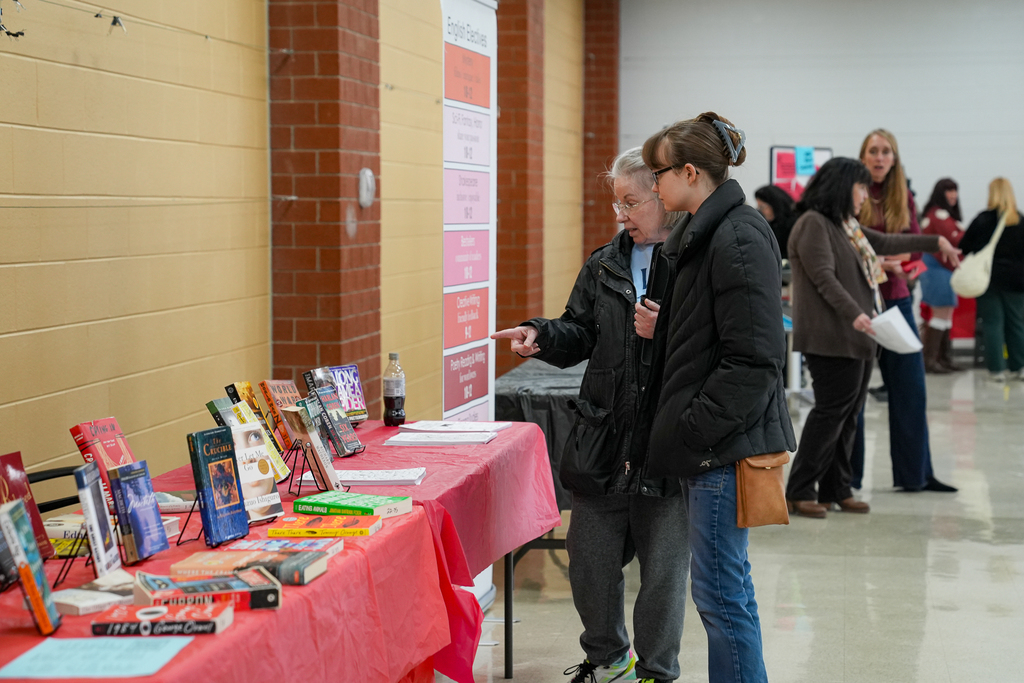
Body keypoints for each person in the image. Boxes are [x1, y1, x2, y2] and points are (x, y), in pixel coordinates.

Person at [491, 147, 690, 683]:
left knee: (663, 576)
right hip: (603, 435)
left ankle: (656, 670)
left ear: (664, 197)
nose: (620, 213)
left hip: (666, 441)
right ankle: (609, 657)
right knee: (589, 565)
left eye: (631, 201)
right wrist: (541, 336)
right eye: (615, 202)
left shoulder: (696, 260)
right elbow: (579, 330)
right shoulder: (605, 262)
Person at [641, 113, 795, 683]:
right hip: (710, 446)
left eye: (659, 172)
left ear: (689, 171)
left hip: (721, 451)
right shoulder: (704, 232)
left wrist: (693, 430)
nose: (654, 185)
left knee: (722, 598)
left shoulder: (737, 232)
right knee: (726, 593)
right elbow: (719, 333)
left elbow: (756, 359)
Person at [784, 158, 961, 518]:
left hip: (858, 335)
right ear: (842, 186)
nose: (866, 195)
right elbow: (824, 278)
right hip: (831, 336)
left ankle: (838, 488)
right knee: (830, 414)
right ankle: (800, 490)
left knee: (849, 415)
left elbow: (886, 240)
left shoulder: (845, 224)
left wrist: (935, 240)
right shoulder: (813, 224)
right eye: (861, 187)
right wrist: (857, 315)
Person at [855, 129, 957, 493]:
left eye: (886, 151)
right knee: (853, 396)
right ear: (863, 157)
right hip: (859, 303)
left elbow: (913, 246)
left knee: (911, 391)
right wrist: (882, 261)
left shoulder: (905, 198)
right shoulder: (852, 194)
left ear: (894, 158)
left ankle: (916, 476)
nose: (880, 157)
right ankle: (846, 480)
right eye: (873, 151)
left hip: (897, 301)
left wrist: (902, 260)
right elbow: (849, 244)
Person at [959, 177, 1024, 381]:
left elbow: (964, 246)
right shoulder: (1020, 220)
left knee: (992, 323)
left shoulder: (982, 220)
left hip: (987, 278)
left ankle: (997, 370)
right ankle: (1019, 367)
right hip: (1017, 280)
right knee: (1017, 323)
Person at [918, 178, 966, 372]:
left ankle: (943, 358)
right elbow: (955, 239)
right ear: (940, 193)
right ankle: (930, 361)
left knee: (946, 313)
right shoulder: (938, 215)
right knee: (940, 312)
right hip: (936, 267)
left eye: (955, 190)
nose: (953, 195)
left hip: (943, 269)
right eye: (949, 191)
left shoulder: (942, 215)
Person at [755, 184, 797, 260]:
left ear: (774, 204)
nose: (761, 211)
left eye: (762, 207)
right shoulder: (771, 225)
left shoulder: (793, 225)